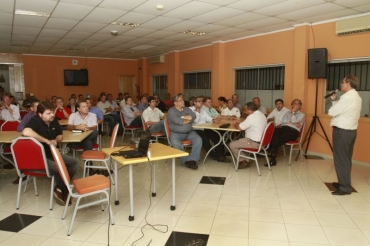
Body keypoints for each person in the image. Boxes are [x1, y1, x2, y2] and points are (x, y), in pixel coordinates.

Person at [22, 102, 79, 206]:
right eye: (48, 113)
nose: (52, 115)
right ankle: (65, 191)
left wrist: (56, 139)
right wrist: (47, 141)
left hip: (50, 154)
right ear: (40, 114)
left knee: (74, 162)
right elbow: (26, 132)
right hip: (38, 157)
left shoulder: (53, 121)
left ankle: (59, 188)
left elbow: (60, 136)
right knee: (58, 168)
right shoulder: (36, 121)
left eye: (52, 112)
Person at [328, 75, 361, 196]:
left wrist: (334, 104)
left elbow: (332, 112)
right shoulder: (355, 96)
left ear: (348, 84)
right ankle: (343, 182)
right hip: (350, 131)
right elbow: (339, 111)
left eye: (343, 82)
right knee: (346, 159)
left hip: (343, 132)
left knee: (341, 159)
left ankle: (345, 187)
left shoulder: (347, 98)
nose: (341, 84)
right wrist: (334, 100)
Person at [265, 99, 305, 167]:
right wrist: (293, 122)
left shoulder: (302, 115)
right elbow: (283, 121)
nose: (296, 105)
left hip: (293, 131)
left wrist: (293, 113)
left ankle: (272, 156)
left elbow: (294, 120)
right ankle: (271, 152)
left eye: (298, 104)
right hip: (283, 128)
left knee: (279, 138)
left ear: (300, 106)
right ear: (292, 105)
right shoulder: (287, 113)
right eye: (294, 103)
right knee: (274, 132)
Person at [167, 94, 202, 170]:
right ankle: (185, 160)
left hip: (189, 132)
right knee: (175, 143)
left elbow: (193, 116)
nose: (182, 101)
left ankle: (192, 159)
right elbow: (178, 121)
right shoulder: (171, 111)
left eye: (182, 100)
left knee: (198, 140)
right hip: (176, 133)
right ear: (175, 103)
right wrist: (187, 119)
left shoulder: (187, 109)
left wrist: (182, 117)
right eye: (180, 100)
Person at [230, 102, 267, 169]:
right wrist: (241, 123)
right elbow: (251, 124)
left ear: (250, 110)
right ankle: (246, 158)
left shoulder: (251, 117)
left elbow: (239, 128)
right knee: (240, 139)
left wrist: (235, 124)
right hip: (263, 143)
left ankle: (245, 160)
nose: (245, 111)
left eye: (246, 110)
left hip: (253, 143)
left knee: (232, 144)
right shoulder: (262, 115)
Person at [191, 96, 226, 162]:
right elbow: (195, 121)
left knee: (217, 136)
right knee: (205, 140)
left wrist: (213, 120)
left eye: (201, 101)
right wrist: (198, 111)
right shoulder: (190, 109)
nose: (201, 103)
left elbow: (208, 118)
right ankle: (213, 155)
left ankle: (220, 156)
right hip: (196, 129)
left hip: (205, 128)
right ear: (195, 103)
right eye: (199, 101)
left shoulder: (203, 110)